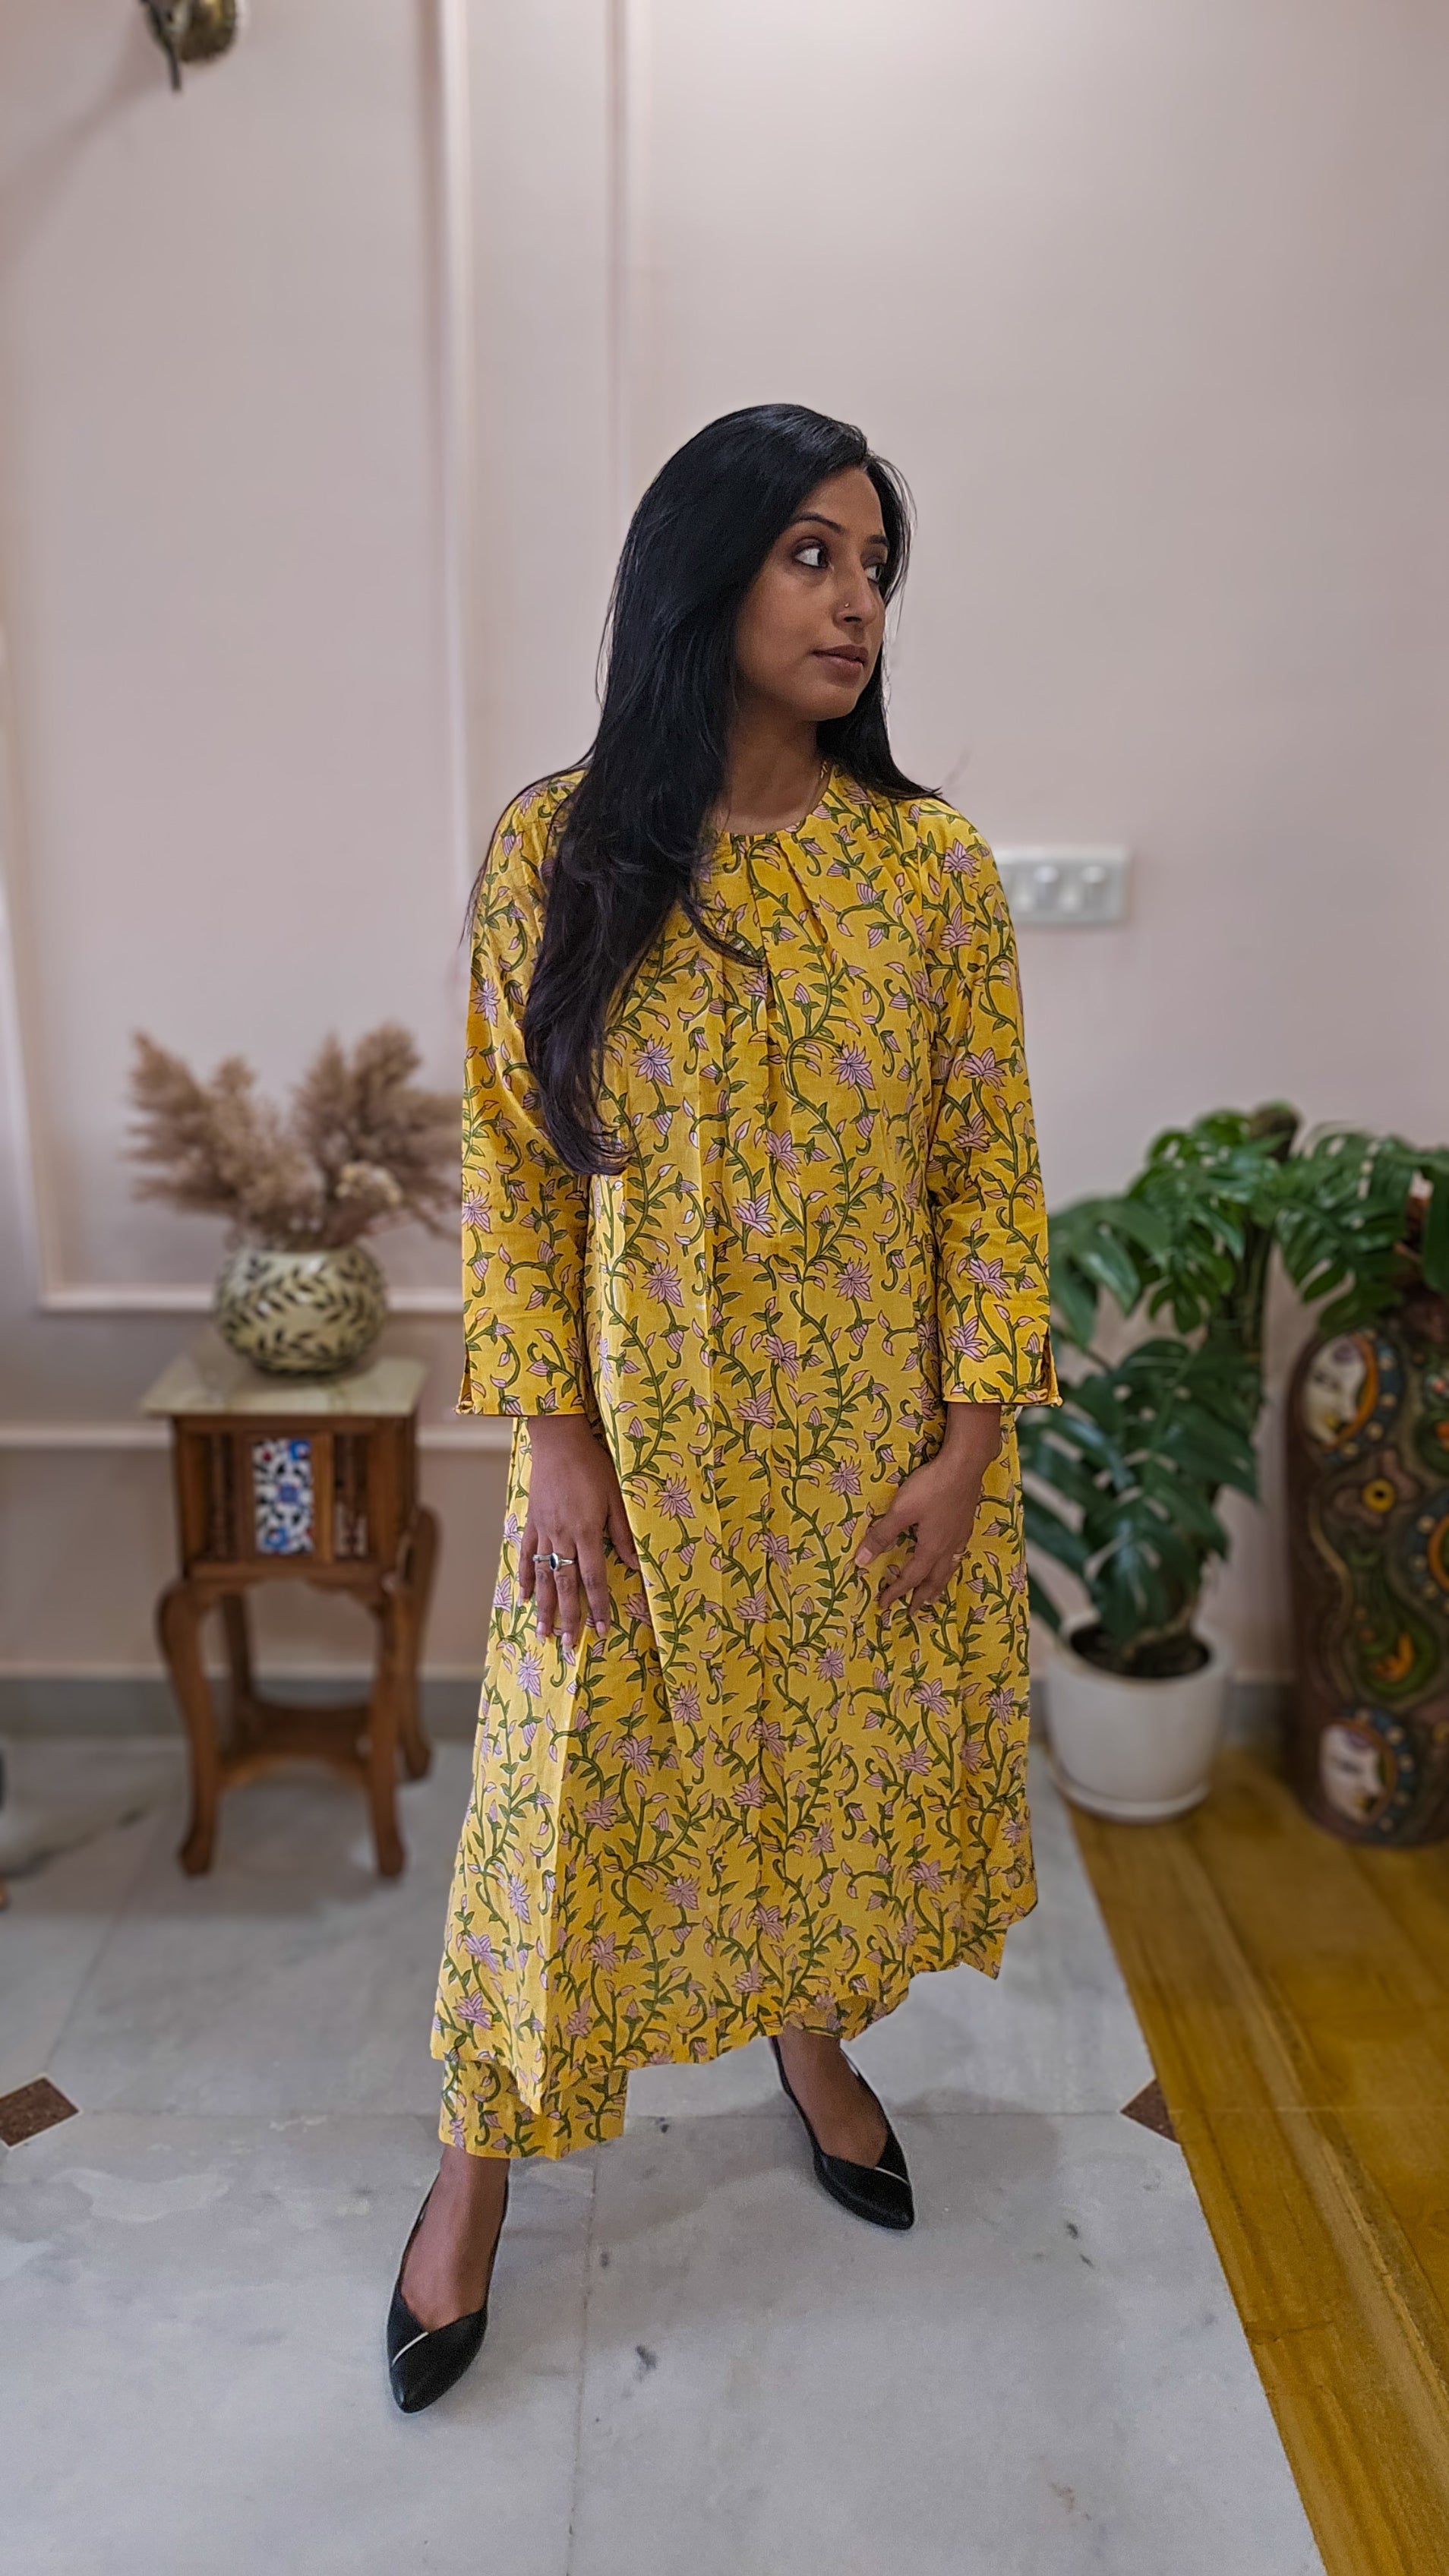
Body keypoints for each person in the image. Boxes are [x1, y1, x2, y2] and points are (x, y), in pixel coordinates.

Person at [386, 402, 1059, 2413]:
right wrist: (558, 1445)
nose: (855, 601)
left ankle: (808, 2039)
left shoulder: (927, 870)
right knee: (553, 1819)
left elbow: (985, 1173)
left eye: (873, 568)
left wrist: (966, 1448)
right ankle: (472, 2175)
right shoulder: (561, 850)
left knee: (830, 1801)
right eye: (811, 555)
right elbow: (512, 1168)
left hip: (871, 1473)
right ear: (703, 573)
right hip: (635, 1464)